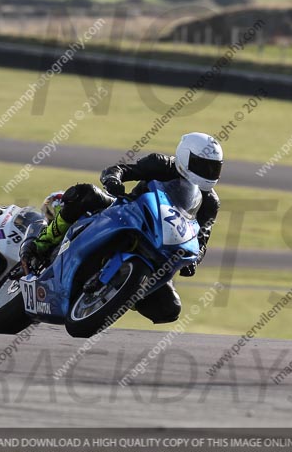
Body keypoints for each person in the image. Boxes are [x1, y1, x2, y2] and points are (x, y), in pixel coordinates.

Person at [20, 133, 223, 324]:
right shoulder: (162, 164)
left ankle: (123, 289)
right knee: (87, 194)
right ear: (184, 158)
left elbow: (202, 237)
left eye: (214, 168)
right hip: (125, 212)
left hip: (160, 244)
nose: (208, 173)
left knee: (168, 309)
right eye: (203, 165)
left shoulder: (210, 202)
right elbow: (123, 170)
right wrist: (113, 179)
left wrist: (194, 260)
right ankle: (43, 242)